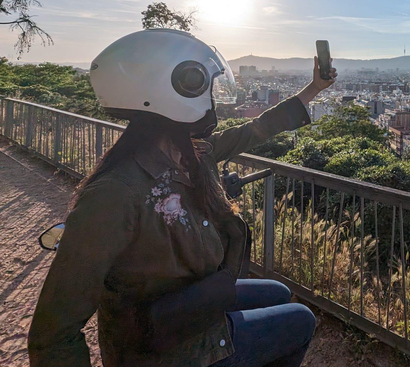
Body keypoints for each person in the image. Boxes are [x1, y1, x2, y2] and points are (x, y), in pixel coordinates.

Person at [28, 29, 336, 367]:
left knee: (276, 293)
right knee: (301, 319)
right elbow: (53, 334)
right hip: (167, 348)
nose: (212, 100)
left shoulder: (193, 153)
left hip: (193, 305)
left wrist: (314, 89)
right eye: (203, 86)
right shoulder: (115, 194)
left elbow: (257, 130)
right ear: (173, 90)